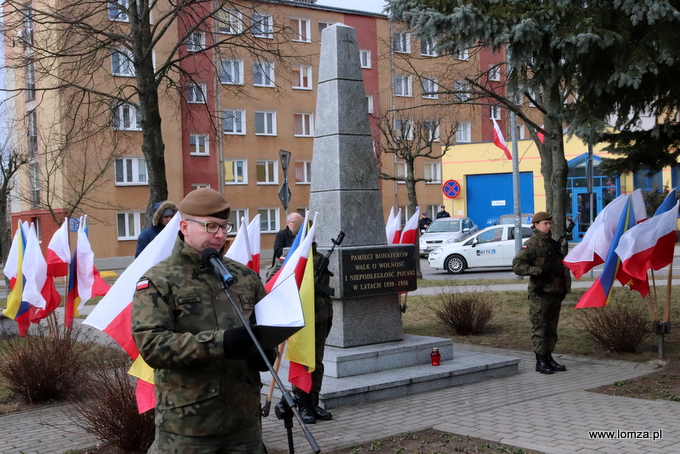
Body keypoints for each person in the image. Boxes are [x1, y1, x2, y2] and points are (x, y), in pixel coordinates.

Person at [132, 188, 273, 453]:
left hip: (244, 422)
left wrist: (263, 350)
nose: (220, 235)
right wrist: (222, 343)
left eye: (224, 226)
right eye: (210, 226)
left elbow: (264, 329)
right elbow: (152, 345)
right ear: (184, 226)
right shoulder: (158, 280)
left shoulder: (245, 278)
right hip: (187, 427)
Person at [511, 211, 568, 375]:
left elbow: (562, 268)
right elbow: (517, 265)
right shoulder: (531, 245)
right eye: (545, 224)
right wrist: (538, 271)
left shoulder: (552, 244)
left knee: (552, 329)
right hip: (540, 293)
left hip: (555, 291)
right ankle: (540, 360)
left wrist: (564, 288)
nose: (548, 226)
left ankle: (549, 357)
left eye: (549, 224)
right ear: (536, 225)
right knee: (540, 328)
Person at [293, 240, 334, 425]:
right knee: (302, 361)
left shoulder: (321, 259)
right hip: (300, 318)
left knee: (317, 361)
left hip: (320, 316)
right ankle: (302, 404)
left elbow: (327, 291)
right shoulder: (292, 258)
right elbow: (274, 279)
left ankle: (314, 402)